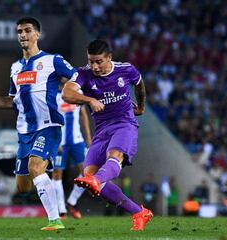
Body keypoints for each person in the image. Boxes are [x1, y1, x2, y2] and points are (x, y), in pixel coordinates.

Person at [0, 17, 77, 231]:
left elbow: (78, 78)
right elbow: (10, 101)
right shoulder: (15, 67)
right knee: (23, 186)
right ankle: (46, 167)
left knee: (36, 167)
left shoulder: (53, 61)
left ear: (37, 35)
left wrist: (88, 96)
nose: (23, 35)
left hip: (49, 125)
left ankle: (55, 220)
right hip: (24, 131)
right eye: (19, 32)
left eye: (27, 31)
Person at [62, 39, 153, 231]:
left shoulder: (126, 70)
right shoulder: (83, 74)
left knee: (114, 156)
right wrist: (89, 99)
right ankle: (139, 212)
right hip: (102, 131)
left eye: (98, 61)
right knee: (90, 176)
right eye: (91, 61)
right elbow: (67, 94)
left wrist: (142, 107)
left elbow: (140, 85)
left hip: (124, 125)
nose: (94, 66)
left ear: (109, 58)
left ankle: (97, 179)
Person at [53, 83, 92, 219]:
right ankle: (62, 210)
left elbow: (83, 115)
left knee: (88, 173)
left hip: (77, 140)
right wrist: (54, 139)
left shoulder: (78, 91)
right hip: (60, 142)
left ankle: (72, 202)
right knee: (57, 174)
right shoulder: (53, 94)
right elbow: (50, 119)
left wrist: (88, 139)